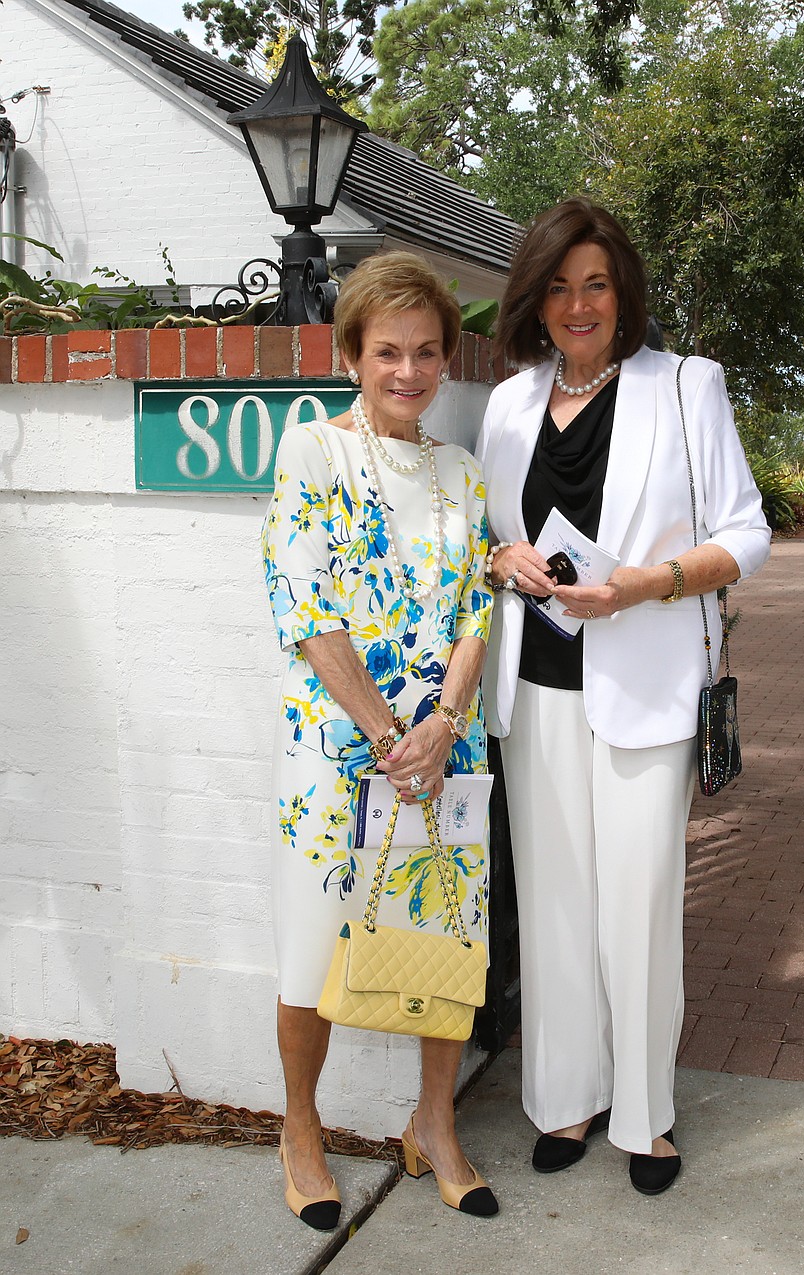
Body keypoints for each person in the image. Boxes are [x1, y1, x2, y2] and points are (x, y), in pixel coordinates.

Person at [476, 197, 770, 1194]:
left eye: (594, 283)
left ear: (623, 290)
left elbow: (747, 532)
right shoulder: (510, 402)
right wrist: (499, 555)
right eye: (557, 285)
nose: (576, 303)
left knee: (638, 903)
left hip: (644, 684)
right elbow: (487, 536)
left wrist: (644, 584)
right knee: (554, 903)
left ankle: (646, 1117)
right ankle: (564, 1097)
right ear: (535, 298)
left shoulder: (685, 388)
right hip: (534, 687)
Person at [261, 251, 496, 1230]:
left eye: (426, 352)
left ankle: (433, 1124)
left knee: (440, 944)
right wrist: (389, 735)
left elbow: (479, 610)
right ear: (352, 353)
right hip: (339, 754)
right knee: (314, 953)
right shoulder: (314, 451)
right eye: (387, 351)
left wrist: (442, 725)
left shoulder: (461, 473)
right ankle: (300, 1130)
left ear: (445, 359)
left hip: (445, 748)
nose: (408, 371)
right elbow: (310, 614)